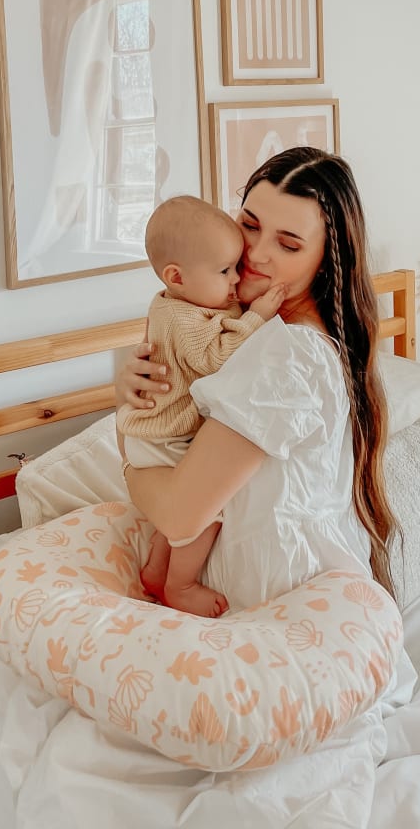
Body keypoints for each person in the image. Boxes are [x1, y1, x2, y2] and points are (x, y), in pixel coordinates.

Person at [116, 146, 398, 614]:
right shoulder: (245, 328)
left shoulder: (287, 354)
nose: (256, 254)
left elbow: (180, 515)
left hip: (274, 605)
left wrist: (129, 453)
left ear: (326, 260)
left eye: (288, 245)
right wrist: (135, 392)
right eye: (249, 225)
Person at [117, 195, 286, 617]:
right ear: (176, 277)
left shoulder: (181, 301)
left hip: (153, 433)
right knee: (204, 513)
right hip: (165, 436)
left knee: (175, 506)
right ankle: (181, 584)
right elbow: (215, 357)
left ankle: (156, 571)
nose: (236, 279)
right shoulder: (181, 319)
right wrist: (256, 317)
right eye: (225, 271)